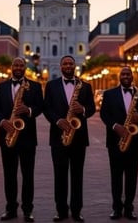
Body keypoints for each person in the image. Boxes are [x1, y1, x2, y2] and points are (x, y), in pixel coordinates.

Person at [43, 55, 95, 222]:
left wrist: (84, 109)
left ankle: (76, 210)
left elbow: (92, 108)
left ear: (75, 66)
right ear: (60, 66)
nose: (67, 66)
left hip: (79, 138)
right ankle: (61, 211)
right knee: (60, 175)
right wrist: (58, 121)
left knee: (77, 175)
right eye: (65, 63)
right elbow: (47, 108)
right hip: (58, 137)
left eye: (70, 63)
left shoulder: (85, 86)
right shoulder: (51, 86)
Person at [0, 57, 44, 222]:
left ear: (25, 67)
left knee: (28, 175)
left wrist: (29, 110)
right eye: (15, 65)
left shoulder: (35, 86)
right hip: (7, 136)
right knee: (9, 175)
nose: (18, 67)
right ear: (11, 67)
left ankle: (28, 210)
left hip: (28, 138)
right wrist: (2, 122)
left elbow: (40, 107)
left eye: (21, 65)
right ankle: (10, 209)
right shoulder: (0, 87)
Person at [100, 66, 138, 221]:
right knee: (116, 176)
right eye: (123, 74)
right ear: (119, 77)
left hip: (134, 143)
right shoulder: (109, 94)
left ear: (132, 76)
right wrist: (116, 126)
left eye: (128, 74)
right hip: (115, 142)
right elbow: (104, 114)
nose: (126, 76)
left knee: (131, 177)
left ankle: (129, 208)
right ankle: (116, 208)